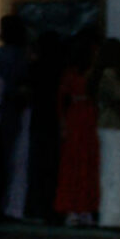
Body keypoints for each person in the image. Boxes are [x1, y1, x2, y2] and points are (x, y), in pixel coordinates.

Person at [0, 15, 33, 221]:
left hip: (0, 108)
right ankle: (12, 204)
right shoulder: (24, 56)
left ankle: (1, 203)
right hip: (16, 109)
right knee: (16, 159)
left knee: (2, 157)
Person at [50, 40, 100, 226]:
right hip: (79, 117)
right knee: (75, 165)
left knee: (87, 164)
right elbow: (60, 100)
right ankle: (73, 208)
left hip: (84, 117)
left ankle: (84, 208)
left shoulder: (86, 73)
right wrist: (63, 123)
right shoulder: (77, 74)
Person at [92, 38, 120, 229]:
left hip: (108, 124)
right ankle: (115, 216)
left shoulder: (103, 74)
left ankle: (113, 215)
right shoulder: (111, 75)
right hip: (115, 125)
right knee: (117, 172)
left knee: (111, 172)